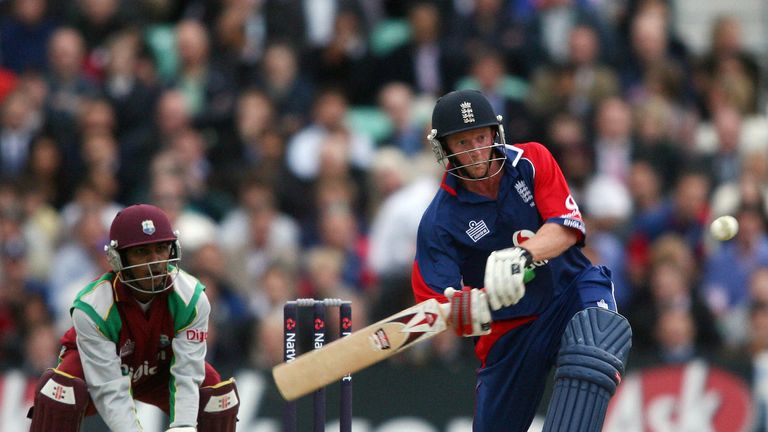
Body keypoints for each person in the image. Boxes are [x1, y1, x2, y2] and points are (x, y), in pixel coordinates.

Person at [413, 89, 632, 431]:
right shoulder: (439, 221)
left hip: (569, 291)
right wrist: (465, 309)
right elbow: (438, 304)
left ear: (494, 134)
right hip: (508, 329)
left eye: (480, 137)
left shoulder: (531, 160)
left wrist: (523, 256)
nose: (475, 150)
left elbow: (566, 228)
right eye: (462, 143)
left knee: (598, 340)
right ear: (445, 149)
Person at [27, 204, 239, 432]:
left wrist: (184, 426)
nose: (155, 262)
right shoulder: (93, 307)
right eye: (141, 252)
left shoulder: (192, 298)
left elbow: (188, 371)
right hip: (99, 373)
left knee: (216, 397)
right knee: (59, 393)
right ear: (118, 259)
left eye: (161, 248)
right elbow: (109, 388)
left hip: (160, 368)